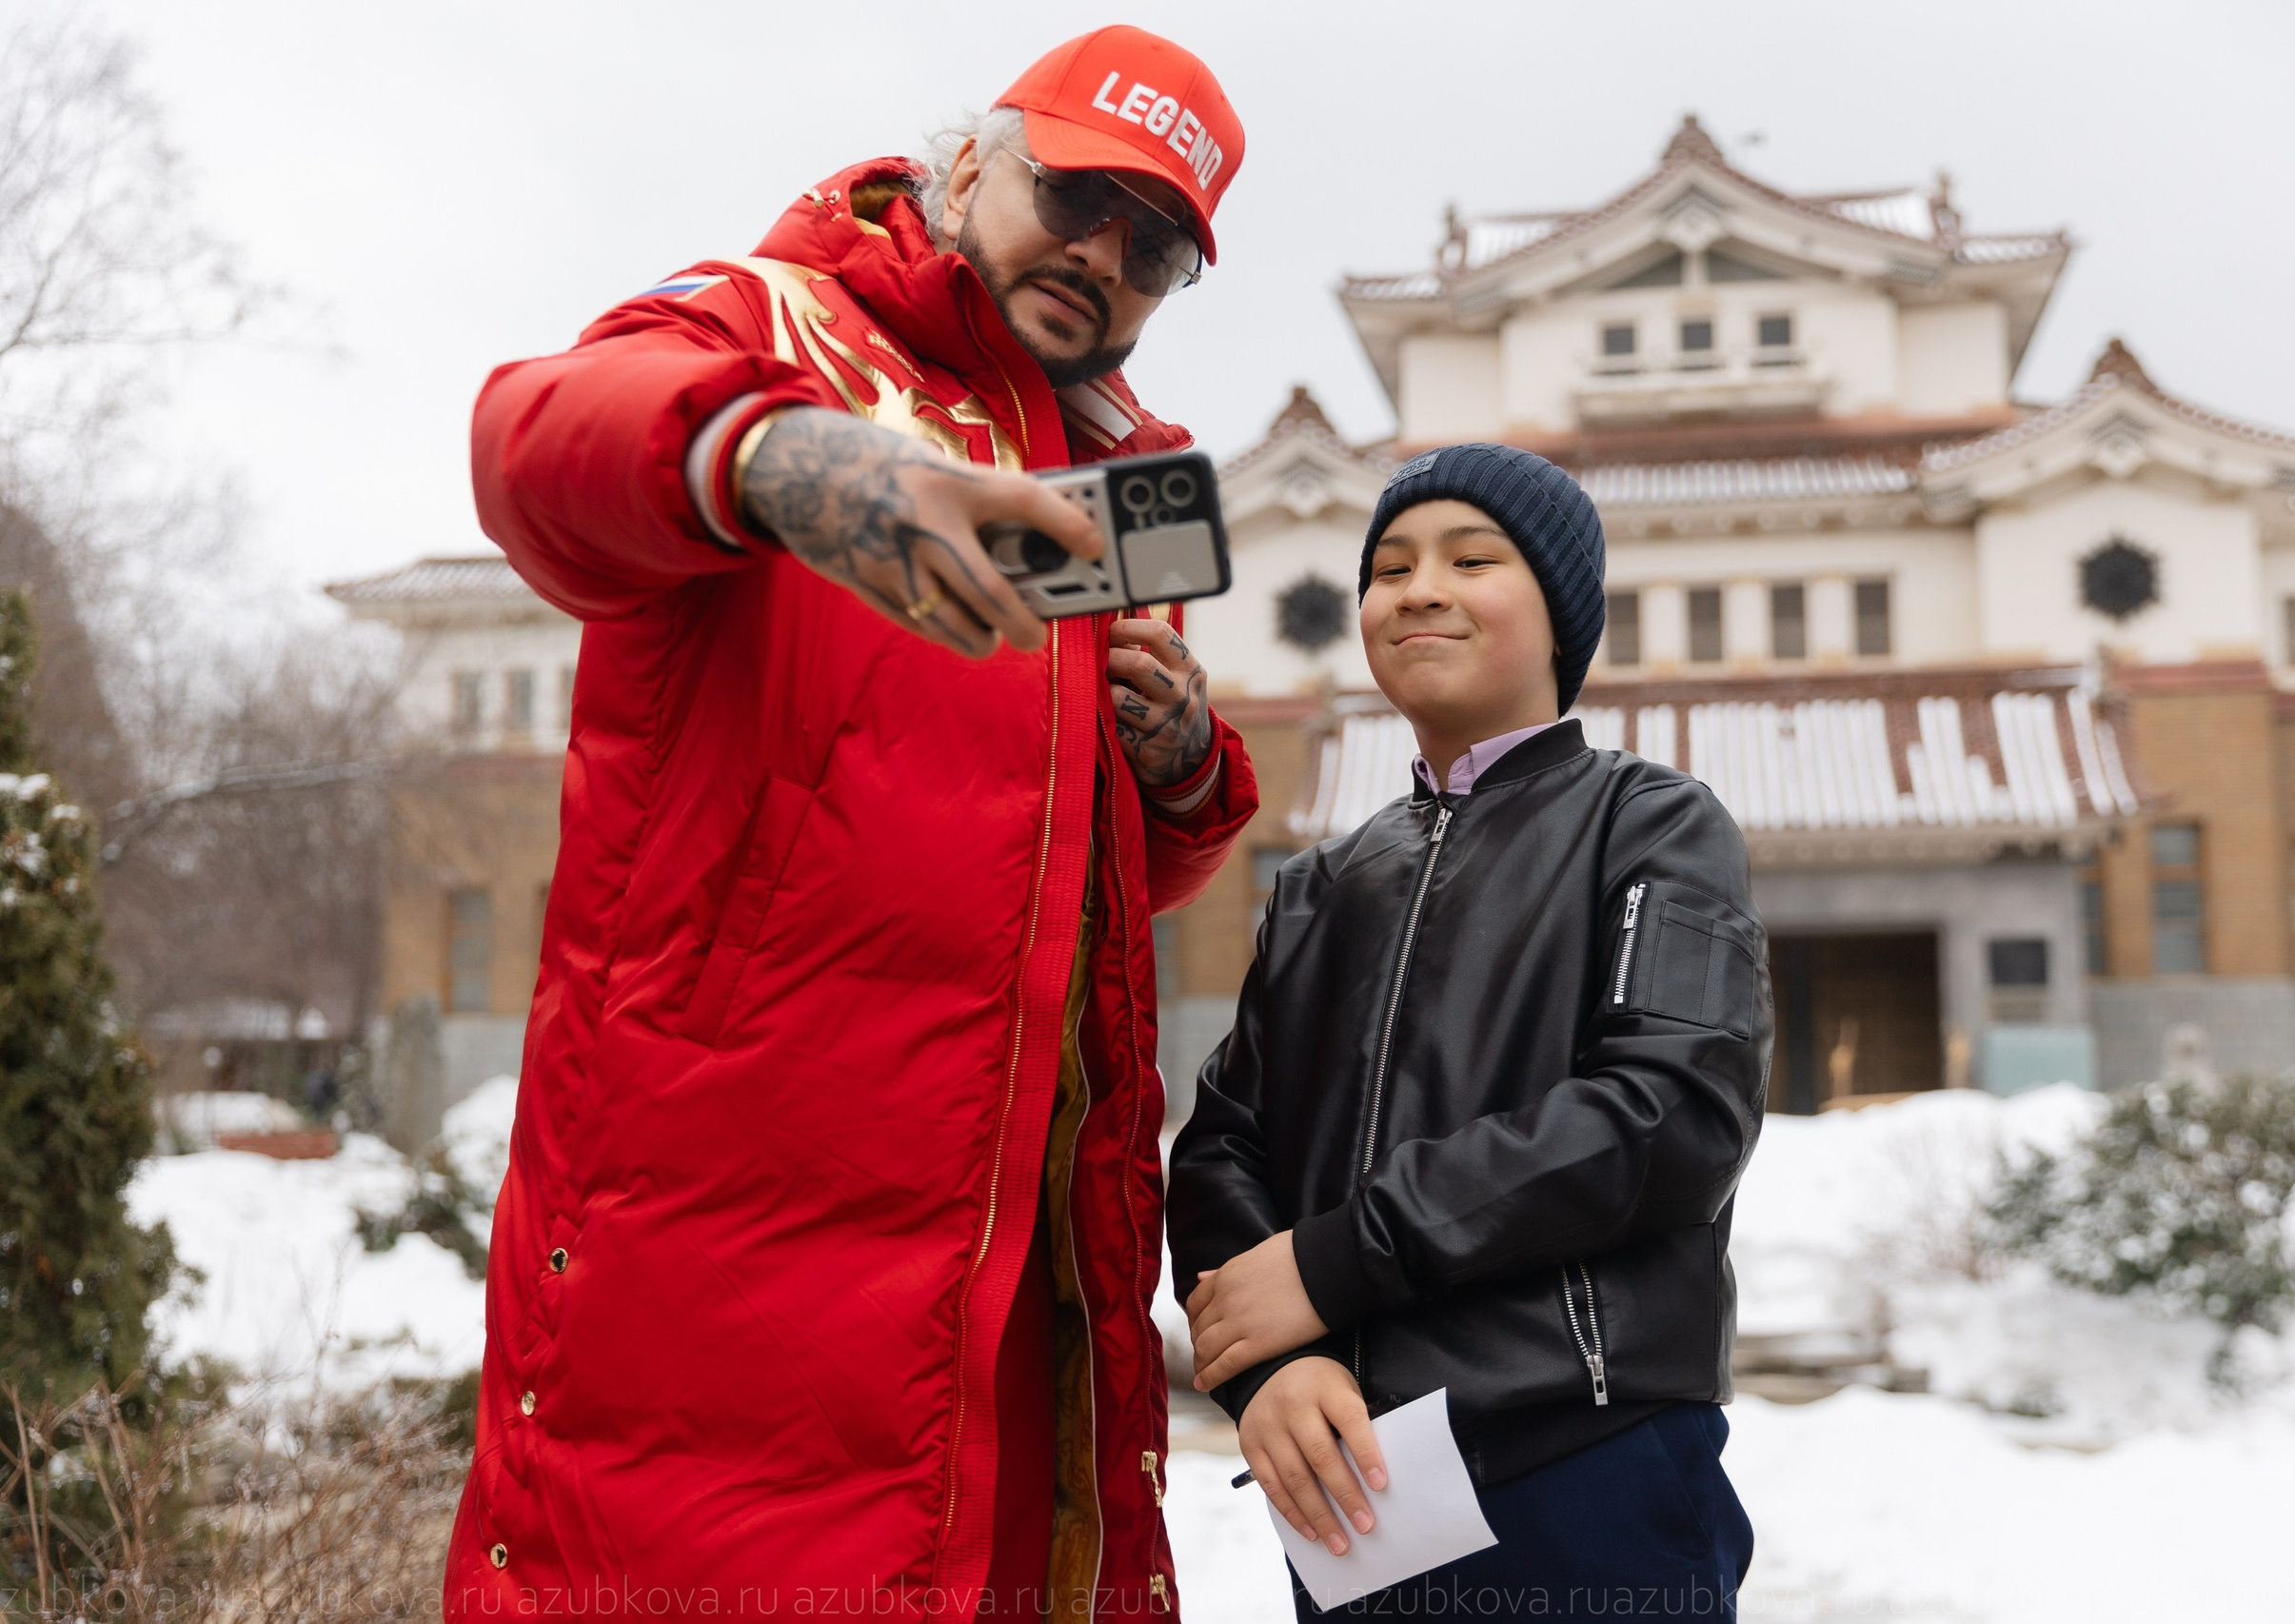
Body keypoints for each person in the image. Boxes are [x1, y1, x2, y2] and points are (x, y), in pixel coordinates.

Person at [444, 28, 1256, 1623]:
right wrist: (772, 455)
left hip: (1010, 1291)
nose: (1101, 255)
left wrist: (1173, 768)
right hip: (714, 1279)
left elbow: (1072, 901)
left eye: (1151, 248)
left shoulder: (1102, 491)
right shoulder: (771, 323)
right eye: (1077, 193)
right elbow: (529, 447)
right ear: (965, 161)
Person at [1169, 446, 1769, 1619]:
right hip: (1353, 1484)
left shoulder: (1650, 822)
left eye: (1471, 558)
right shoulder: (1323, 881)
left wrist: (1337, 1259)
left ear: (1560, 617)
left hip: (1585, 1455)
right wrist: (1273, 1369)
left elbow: (1674, 1109)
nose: (1418, 588)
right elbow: (1220, 1152)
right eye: (1387, 568)